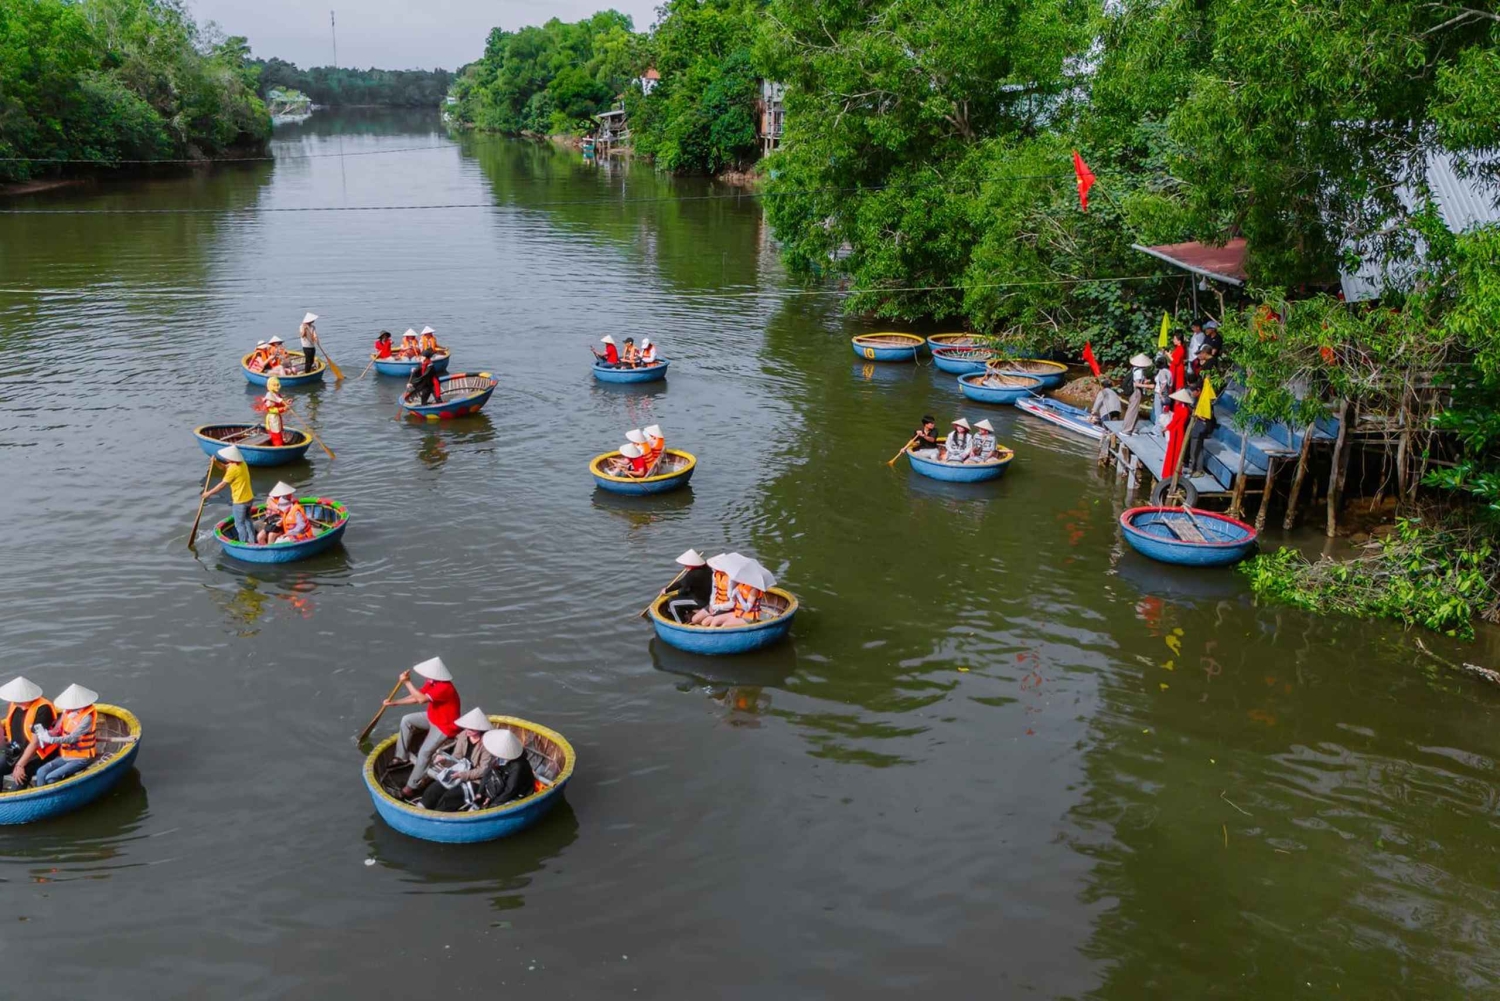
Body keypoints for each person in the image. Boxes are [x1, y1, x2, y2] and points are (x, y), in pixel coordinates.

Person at [385, 657, 462, 801]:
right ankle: (401, 756)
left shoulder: (445, 688)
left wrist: (407, 682)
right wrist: (395, 702)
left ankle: (410, 788)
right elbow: (417, 696)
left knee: (424, 753)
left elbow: (421, 699)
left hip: (445, 726)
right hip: (433, 717)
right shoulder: (432, 682)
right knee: (407, 720)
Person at [20, 684, 98, 787]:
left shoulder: (86, 718)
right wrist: (45, 733)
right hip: (66, 755)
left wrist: (50, 740)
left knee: (51, 777)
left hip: (82, 758)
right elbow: (57, 730)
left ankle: (53, 792)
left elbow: (72, 738)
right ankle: (42, 792)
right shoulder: (66, 713)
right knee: (41, 772)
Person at [419, 707, 495, 811]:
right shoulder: (463, 736)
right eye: (466, 727)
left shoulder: (487, 744)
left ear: (479, 729)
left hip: (476, 780)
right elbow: (456, 758)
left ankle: (439, 815)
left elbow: (483, 770)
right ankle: (421, 809)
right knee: (433, 790)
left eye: (471, 729)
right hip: (458, 772)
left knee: (449, 798)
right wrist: (445, 761)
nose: (467, 730)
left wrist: (462, 775)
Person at [2, 677, 56, 791]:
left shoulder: (43, 709)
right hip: (16, 750)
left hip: (36, 754)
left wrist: (20, 765)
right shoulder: (14, 705)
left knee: (19, 779)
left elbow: (35, 742)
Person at [202, 445, 256, 543]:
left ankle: (243, 543)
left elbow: (222, 485)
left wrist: (208, 493)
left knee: (239, 524)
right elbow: (224, 467)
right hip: (249, 498)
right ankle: (252, 540)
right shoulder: (242, 463)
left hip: (240, 501)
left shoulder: (233, 469)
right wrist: (216, 462)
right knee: (248, 520)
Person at [476, 728, 534, 808]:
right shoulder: (497, 758)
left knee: (493, 806)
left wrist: (494, 803)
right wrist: (480, 793)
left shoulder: (518, 766)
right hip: (502, 784)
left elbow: (511, 789)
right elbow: (487, 773)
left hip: (519, 793)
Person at [663, 549, 712, 623]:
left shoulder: (693, 574)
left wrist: (666, 590)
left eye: (686, 565)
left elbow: (680, 584)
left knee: (672, 602)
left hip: (701, 601)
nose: (685, 567)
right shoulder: (707, 569)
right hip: (708, 598)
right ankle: (688, 614)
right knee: (681, 592)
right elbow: (685, 585)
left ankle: (680, 623)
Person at [692, 554, 738, 625]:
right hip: (716, 603)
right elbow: (714, 592)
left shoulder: (731, 579)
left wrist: (717, 607)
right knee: (695, 619)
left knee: (705, 623)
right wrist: (711, 605)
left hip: (727, 606)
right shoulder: (715, 575)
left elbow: (732, 603)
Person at [1187, 375, 1218, 475]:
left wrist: (1196, 414)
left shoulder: (1204, 401)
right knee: (1198, 448)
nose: (1192, 393)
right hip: (1201, 427)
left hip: (1201, 427)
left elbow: (1204, 416)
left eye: (1193, 391)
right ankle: (1198, 469)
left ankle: (1194, 468)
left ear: (1198, 390)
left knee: (1195, 449)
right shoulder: (1200, 399)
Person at [1121, 353, 1154, 433]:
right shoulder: (1139, 371)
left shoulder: (1135, 369)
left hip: (1134, 392)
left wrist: (1145, 381)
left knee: (1134, 410)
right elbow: (1136, 384)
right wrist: (1149, 386)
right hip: (1136, 392)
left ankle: (1133, 427)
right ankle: (1126, 429)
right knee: (1132, 410)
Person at [258, 375, 289, 447]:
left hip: (277, 417)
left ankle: (279, 444)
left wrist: (286, 403)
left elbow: (279, 403)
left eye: (278, 385)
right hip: (273, 418)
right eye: (275, 385)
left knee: (279, 431)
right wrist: (283, 409)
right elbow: (271, 409)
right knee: (276, 432)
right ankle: (278, 445)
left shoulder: (276, 394)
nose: (278, 387)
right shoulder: (270, 397)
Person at [1151, 353, 1173, 426]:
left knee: (1158, 412)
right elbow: (1170, 383)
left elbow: (1164, 383)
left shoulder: (1162, 371)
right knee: (1164, 413)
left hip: (1159, 393)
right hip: (1167, 394)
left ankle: (1157, 429)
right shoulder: (1169, 371)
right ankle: (1162, 427)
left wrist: (1160, 392)